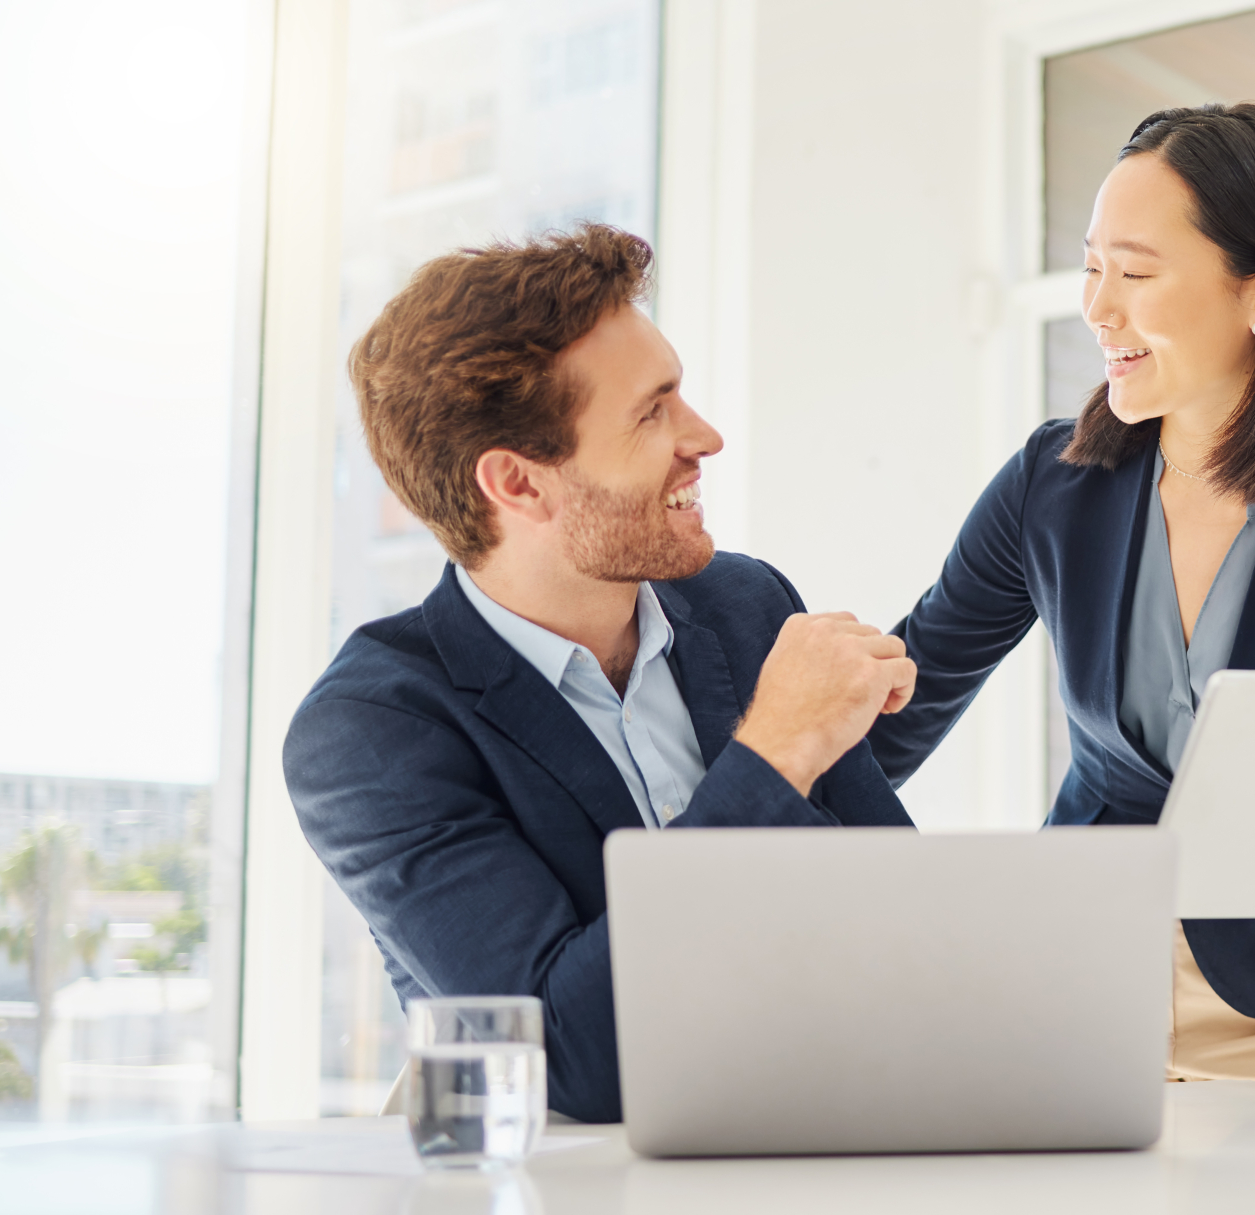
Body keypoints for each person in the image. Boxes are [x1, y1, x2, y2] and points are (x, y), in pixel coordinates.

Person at [868, 103, 1255, 1097]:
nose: (1098, 310)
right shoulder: (1047, 488)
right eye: (1091, 267)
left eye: (1136, 274)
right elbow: (901, 705)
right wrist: (737, 804)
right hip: (1073, 992)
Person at [284, 225, 917, 1123]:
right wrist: (776, 751)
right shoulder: (371, 730)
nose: (705, 436)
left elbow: (907, 922)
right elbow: (574, 1057)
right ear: (520, 483)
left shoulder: (744, 605)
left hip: (822, 1130)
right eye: (652, 411)